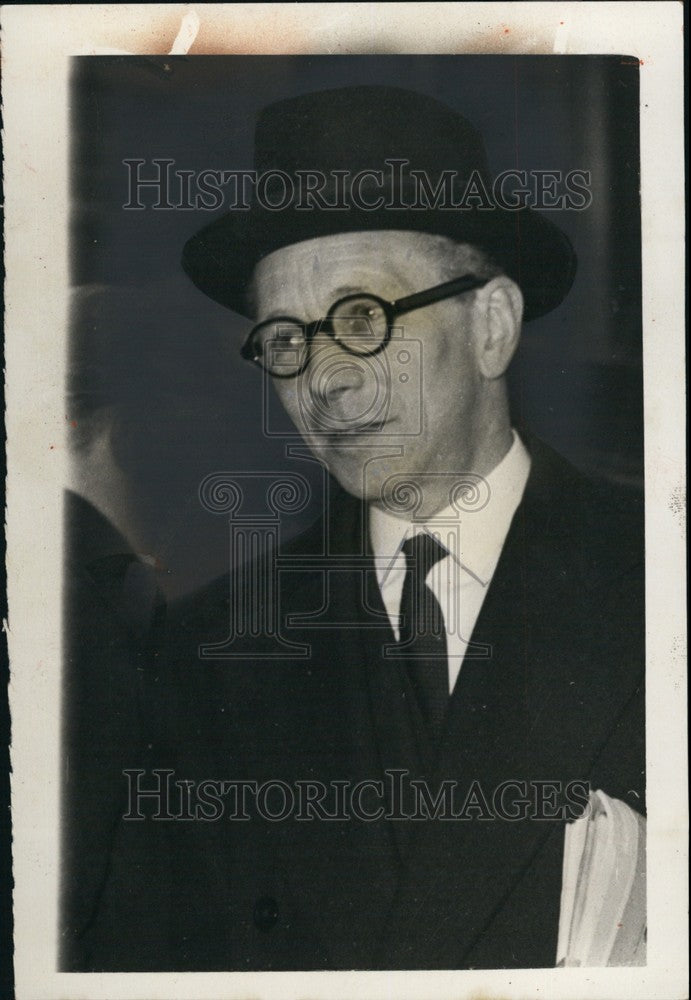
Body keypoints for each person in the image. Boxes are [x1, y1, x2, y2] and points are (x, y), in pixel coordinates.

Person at [75, 85, 645, 971]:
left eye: (361, 320)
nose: (325, 380)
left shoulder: (657, 579)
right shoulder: (207, 656)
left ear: (491, 327)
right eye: (286, 340)